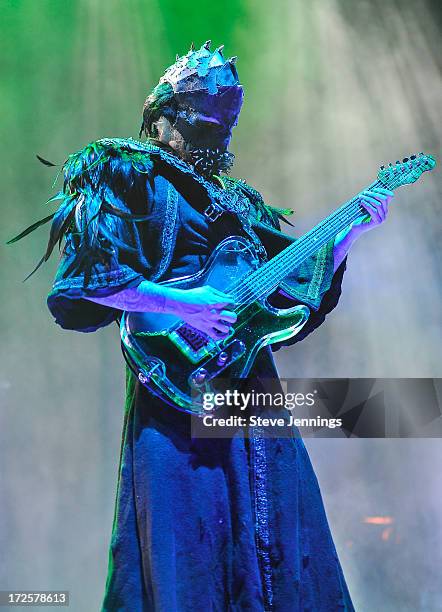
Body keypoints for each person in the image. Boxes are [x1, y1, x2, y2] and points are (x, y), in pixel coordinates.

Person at [11, 41, 392, 611]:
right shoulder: (125, 173)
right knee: (188, 543)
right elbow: (83, 284)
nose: (213, 136)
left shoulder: (241, 205)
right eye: (199, 122)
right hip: (177, 392)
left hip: (250, 387)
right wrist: (187, 305)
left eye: (223, 126)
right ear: (160, 116)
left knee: (281, 537)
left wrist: (350, 235)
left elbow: (290, 298)